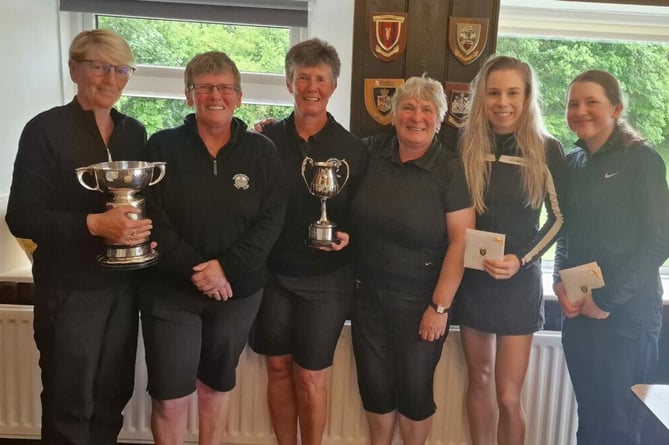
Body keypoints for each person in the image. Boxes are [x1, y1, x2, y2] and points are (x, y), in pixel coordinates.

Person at [5, 29, 148, 445]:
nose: (111, 79)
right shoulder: (44, 130)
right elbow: (22, 217)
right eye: (99, 66)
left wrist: (141, 230)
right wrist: (94, 224)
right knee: (70, 401)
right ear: (74, 69)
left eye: (121, 69)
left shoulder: (133, 132)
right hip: (68, 289)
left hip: (122, 287)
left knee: (110, 397)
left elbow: (144, 203)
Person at [138, 51, 287, 445]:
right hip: (170, 293)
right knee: (170, 400)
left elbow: (271, 220)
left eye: (224, 87)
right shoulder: (161, 147)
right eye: (204, 87)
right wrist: (199, 271)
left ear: (239, 96)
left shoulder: (262, 151)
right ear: (189, 96)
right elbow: (152, 217)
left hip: (236, 293)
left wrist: (226, 269)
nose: (214, 95)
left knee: (215, 391)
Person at [248, 38, 367, 445]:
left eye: (320, 79)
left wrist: (348, 236)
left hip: (328, 280)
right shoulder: (262, 141)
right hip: (273, 275)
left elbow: (363, 216)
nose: (310, 87)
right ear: (288, 82)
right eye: (302, 78)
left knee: (312, 376)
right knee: (278, 369)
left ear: (333, 86)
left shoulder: (354, 149)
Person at [348, 75, 475, 445]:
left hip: (421, 303)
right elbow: (328, 153)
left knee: (415, 393)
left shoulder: (450, 170)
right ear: (393, 114)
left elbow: (461, 243)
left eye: (426, 110)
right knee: (374, 388)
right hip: (366, 295)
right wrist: (273, 130)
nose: (416, 116)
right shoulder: (371, 151)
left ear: (439, 120)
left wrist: (440, 306)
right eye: (408, 107)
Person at [455, 55, 566, 445]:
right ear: (481, 97)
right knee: (479, 380)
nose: (503, 102)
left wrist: (521, 260)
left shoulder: (547, 149)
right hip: (474, 281)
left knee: (508, 396)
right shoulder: (464, 144)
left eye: (512, 93)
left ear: (528, 96)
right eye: (494, 93)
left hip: (519, 284)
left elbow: (559, 219)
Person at [553, 70, 669, 445]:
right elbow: (564, 230)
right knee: (590, 419)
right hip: (580, 317)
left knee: (621, 428)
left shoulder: (644, 160)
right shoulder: (572, 162)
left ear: (616, 108)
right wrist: (560, 282)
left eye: (592, 102)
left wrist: (605, 300)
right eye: (573, 103)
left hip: (628, 319)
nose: (580, 111)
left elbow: (659, 240)